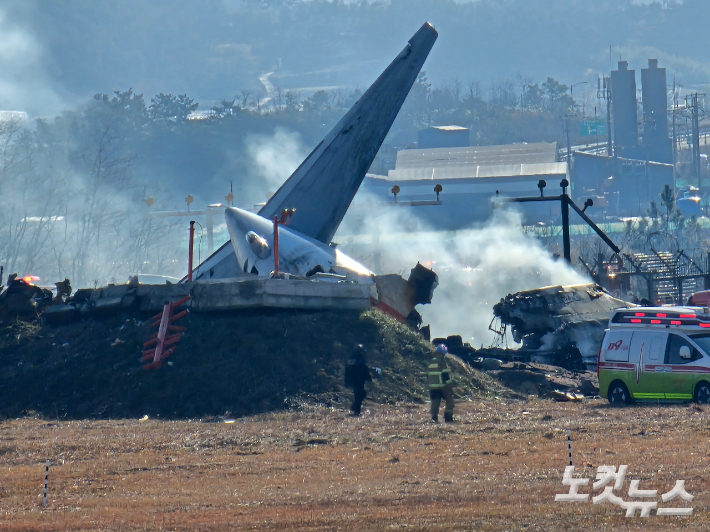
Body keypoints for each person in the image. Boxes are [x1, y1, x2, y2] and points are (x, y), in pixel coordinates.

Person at [428, 344, 454, 422]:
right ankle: (448, 418)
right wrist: (450, 385)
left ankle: (434, 418)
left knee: (435, 403)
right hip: (442, 386)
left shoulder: (430, 362)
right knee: (450, 400)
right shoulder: (442, 363)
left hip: (432, 387)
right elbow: (445, 376)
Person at [344, 344, 372, 416]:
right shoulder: (360, 360)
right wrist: (369, 378)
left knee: (358, 395)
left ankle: (355, 408)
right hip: (359, 380)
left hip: (352, 379)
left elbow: (346, 370)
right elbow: (364, 370)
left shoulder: (350, 359)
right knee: (360, 395)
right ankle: (356, 410)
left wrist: (346, 380)